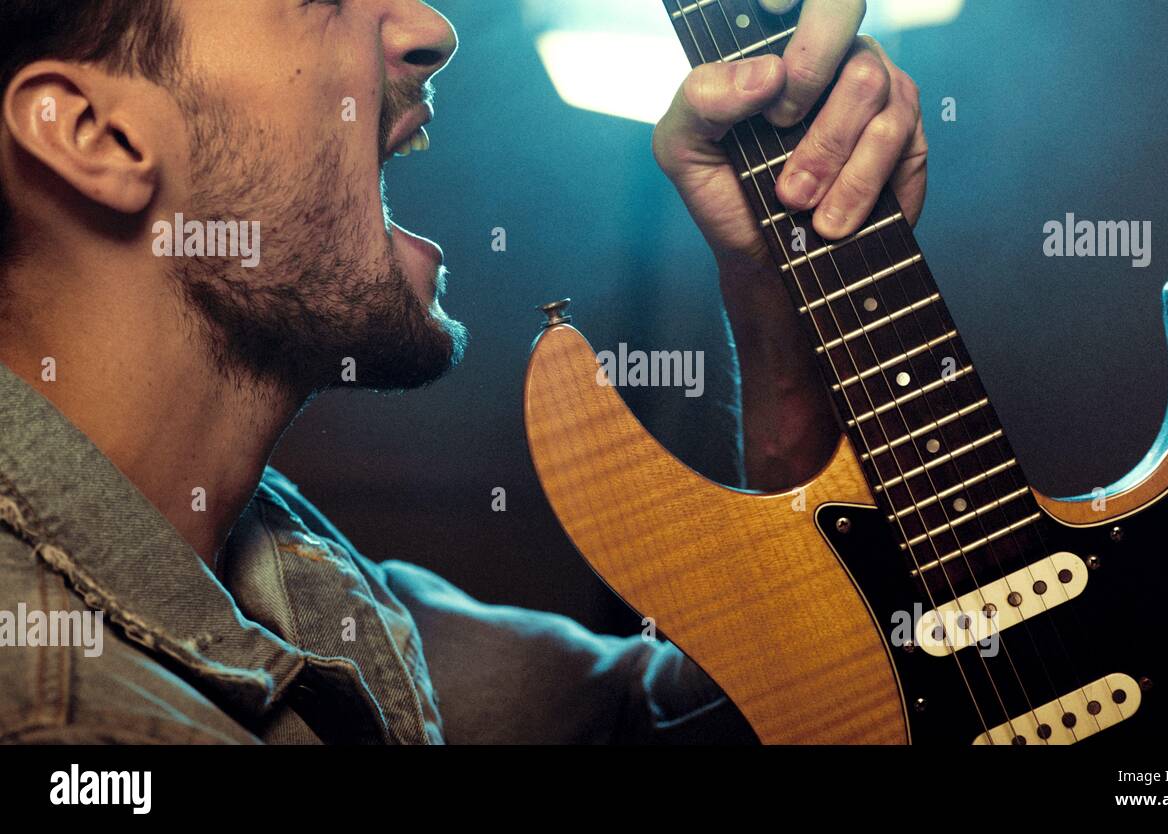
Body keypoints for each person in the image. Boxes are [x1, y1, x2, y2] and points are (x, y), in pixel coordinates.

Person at [0, 0, 926, 743]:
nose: (432, 30)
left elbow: (762, 704)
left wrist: (781, 284)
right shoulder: (73, 710)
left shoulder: (295, 583)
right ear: (96, 136)